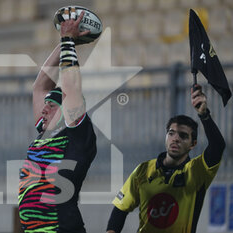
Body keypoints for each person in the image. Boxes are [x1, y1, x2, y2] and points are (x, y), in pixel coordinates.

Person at [18, 7, 97, 233]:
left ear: (68, 110)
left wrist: (68, 41)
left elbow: (71, 86)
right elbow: (40, 86)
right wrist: (64, 42)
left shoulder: (76, 132)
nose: (43, 111)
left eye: (51, 106)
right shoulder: (45, 132)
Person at [106, 85, 226, 233]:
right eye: (171, 133)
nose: (175, 139)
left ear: (193, 144)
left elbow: (218, 146)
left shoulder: (197, 171)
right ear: (166, 136)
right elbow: (120, 208)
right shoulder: (143, 170)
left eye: (183, 136)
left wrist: (204, 114)